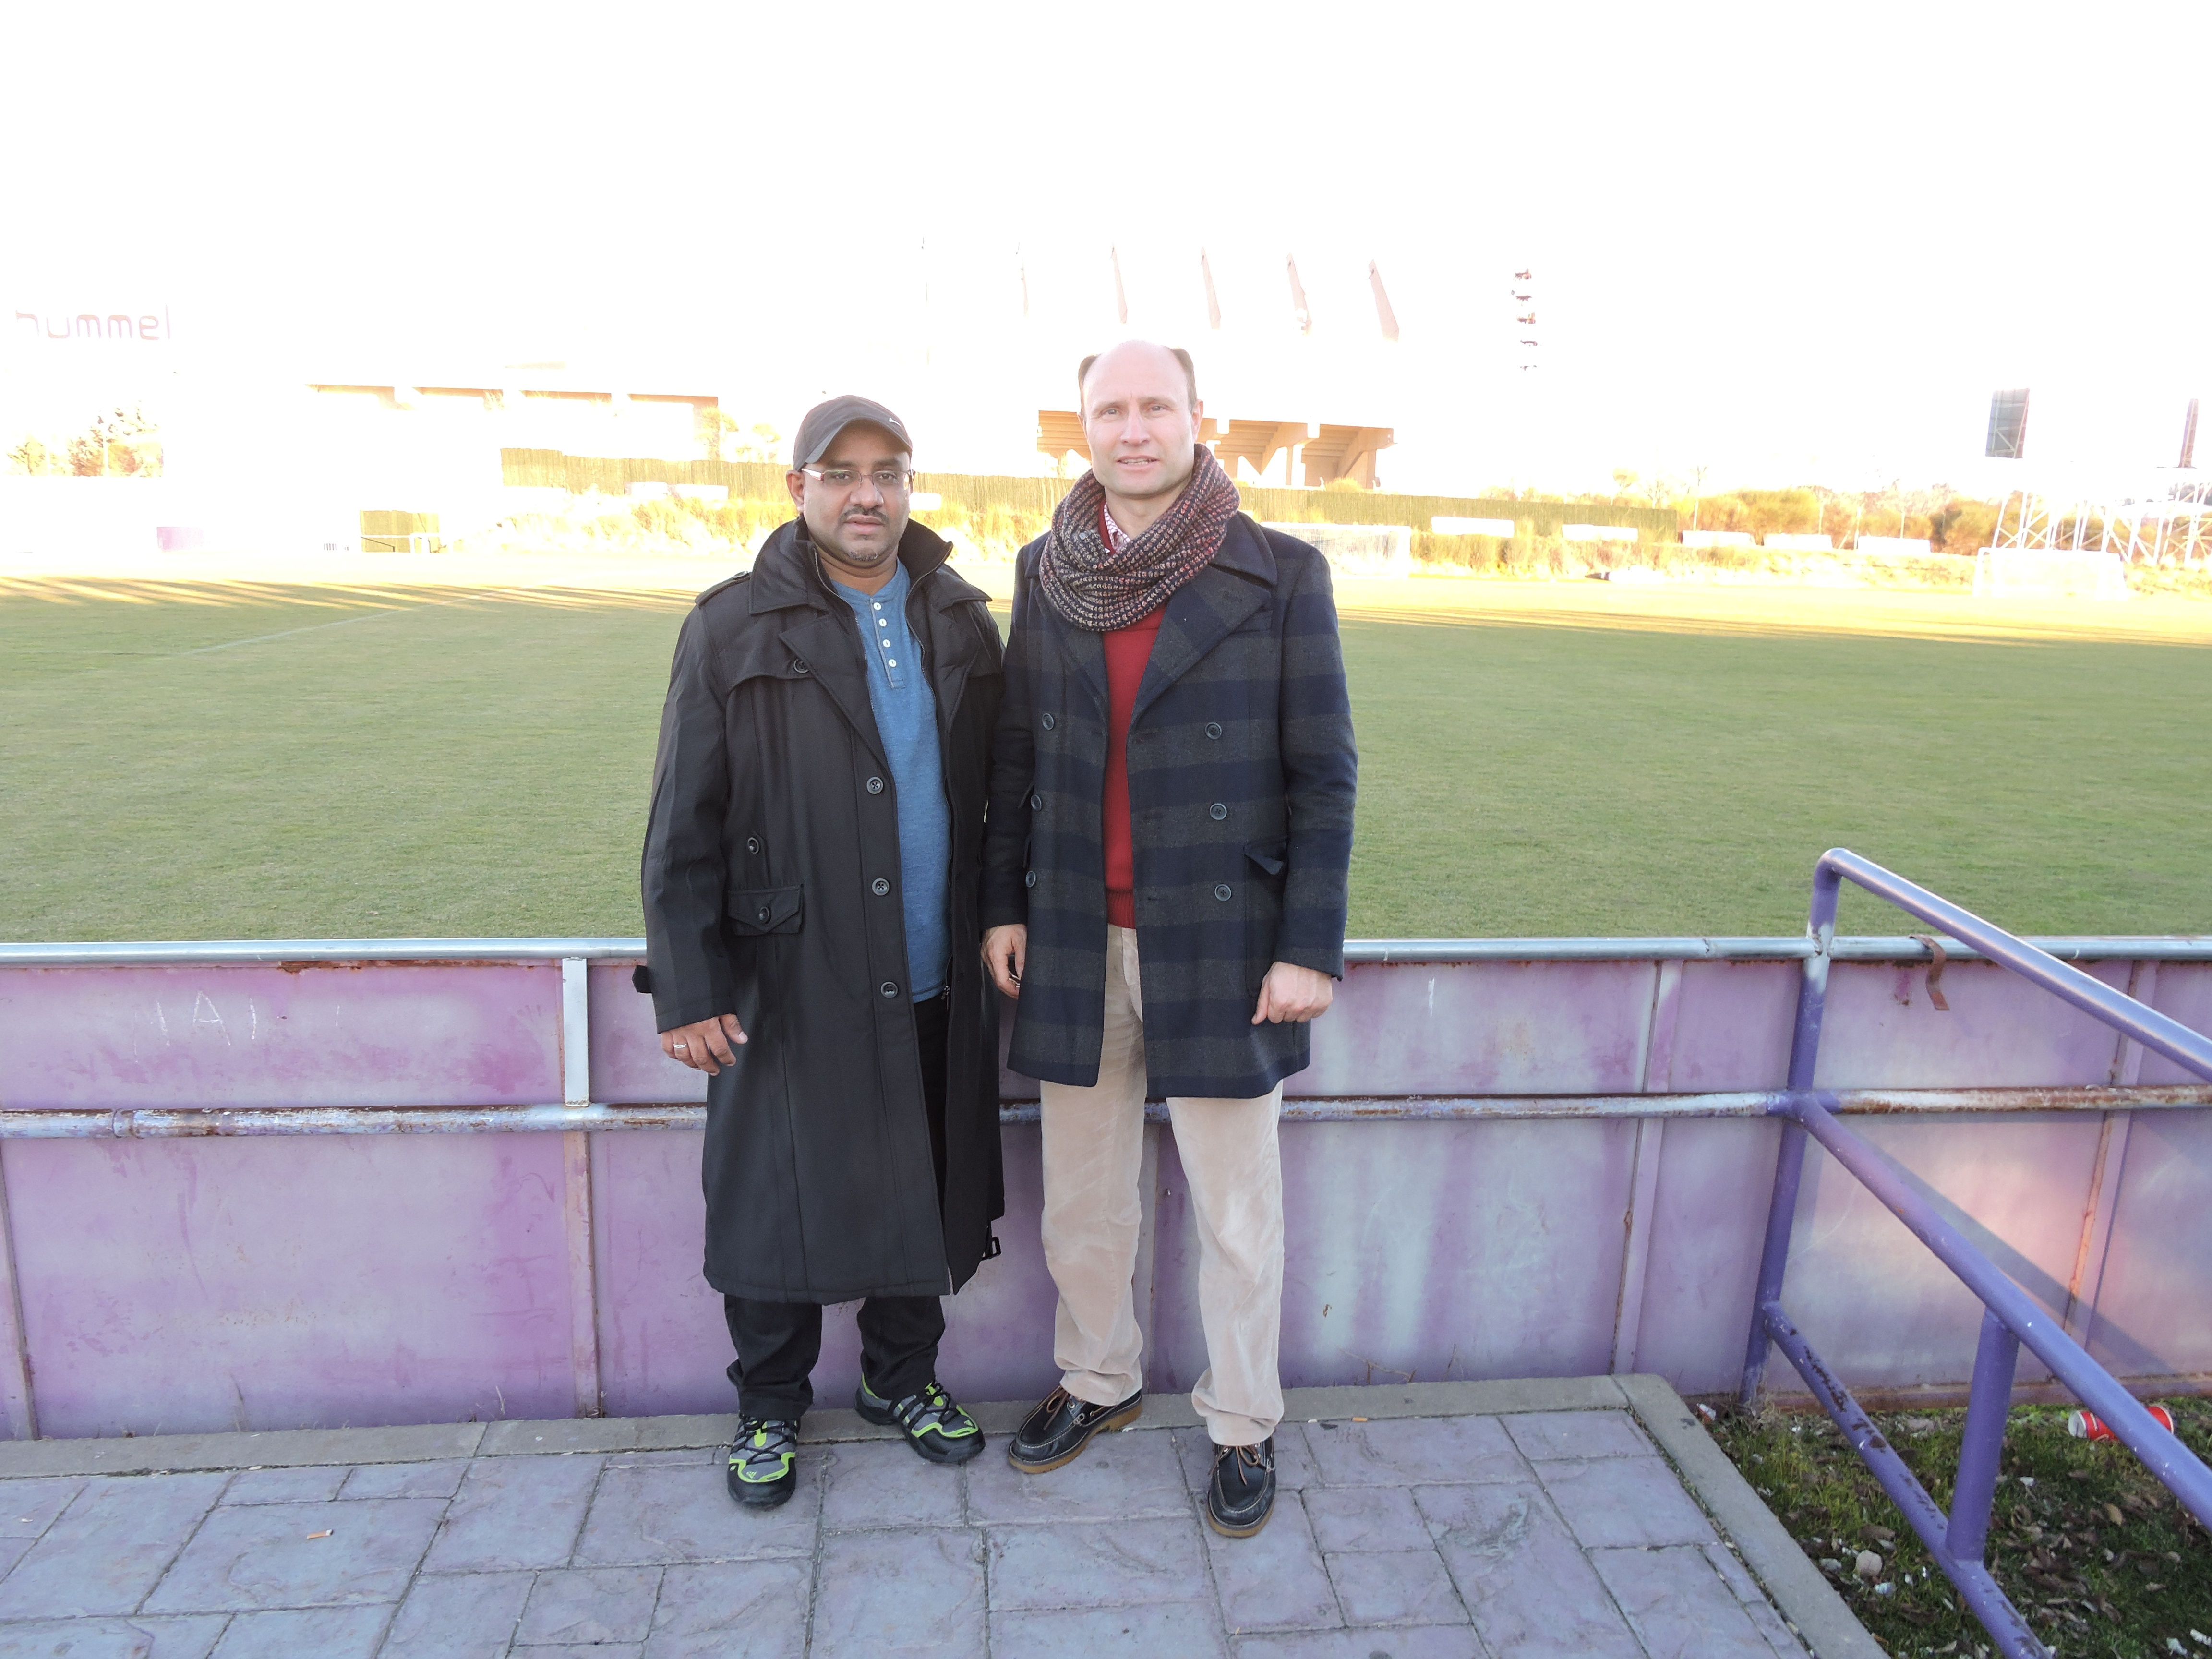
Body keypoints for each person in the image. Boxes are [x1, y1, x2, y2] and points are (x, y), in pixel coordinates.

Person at [981, 341, 1357, 1538]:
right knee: (1081, 1203)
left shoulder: (1281, 571)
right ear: (1083, 427)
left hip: (1227, 946)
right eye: (1112, 410)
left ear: (1200, 419)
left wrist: (1309, 947)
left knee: (1237, 1212)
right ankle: (1099, 1381)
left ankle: (1242, 1422)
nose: (1134, 429)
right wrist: (1002, 905)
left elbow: (1325, 774)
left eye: (1156, 407)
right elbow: (1016, 756)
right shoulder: (1047, 569)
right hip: (1073, 934)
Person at [640, 395, 1006, 1508]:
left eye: (887, 472)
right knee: (776, 1196)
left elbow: (1004, 796)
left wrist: (1006, 915)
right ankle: (768, 1405)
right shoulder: (732, 626)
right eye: (840, 472)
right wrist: (688, 988)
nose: (866, 493)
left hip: (935, 970)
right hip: (790, 977)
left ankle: (903, 1380)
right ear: (796, 487)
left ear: (909, 487)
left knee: (921, 1181)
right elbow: (681, 821)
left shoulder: (960, 618)